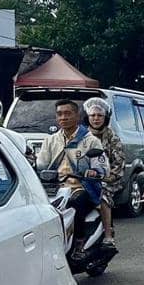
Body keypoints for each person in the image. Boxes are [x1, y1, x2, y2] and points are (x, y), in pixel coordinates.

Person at [36, 99, 109, 231]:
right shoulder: (50, 140)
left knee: (75, 204)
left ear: (77, 116)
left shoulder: (91, 141)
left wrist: (93, 172)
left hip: (81, 188)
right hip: (55, 188)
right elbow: (41, 165)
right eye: (60, 114)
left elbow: (102, 168)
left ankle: (79, 245)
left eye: (67, 113)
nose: (63, 117)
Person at [83, 97, 127, 253]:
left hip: (108, 180)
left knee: (103, 195)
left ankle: (108, 235)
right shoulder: (82, 136)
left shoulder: (112, 137)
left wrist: (107, 177)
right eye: (92, 115)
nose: (95, 119)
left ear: (105, 118)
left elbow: (119, 163)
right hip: (83, 179)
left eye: (99, 116)